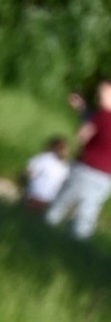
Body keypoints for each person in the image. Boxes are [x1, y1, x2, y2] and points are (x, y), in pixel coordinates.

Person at [51, 79, 111, 240]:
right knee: (87, 212)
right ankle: (76, 243)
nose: (100, 96)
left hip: (86, 168)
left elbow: (82, 135)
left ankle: (44, 229)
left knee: (62, 202)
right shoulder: (100, 115)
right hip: (105, 177)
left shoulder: (102, 114)